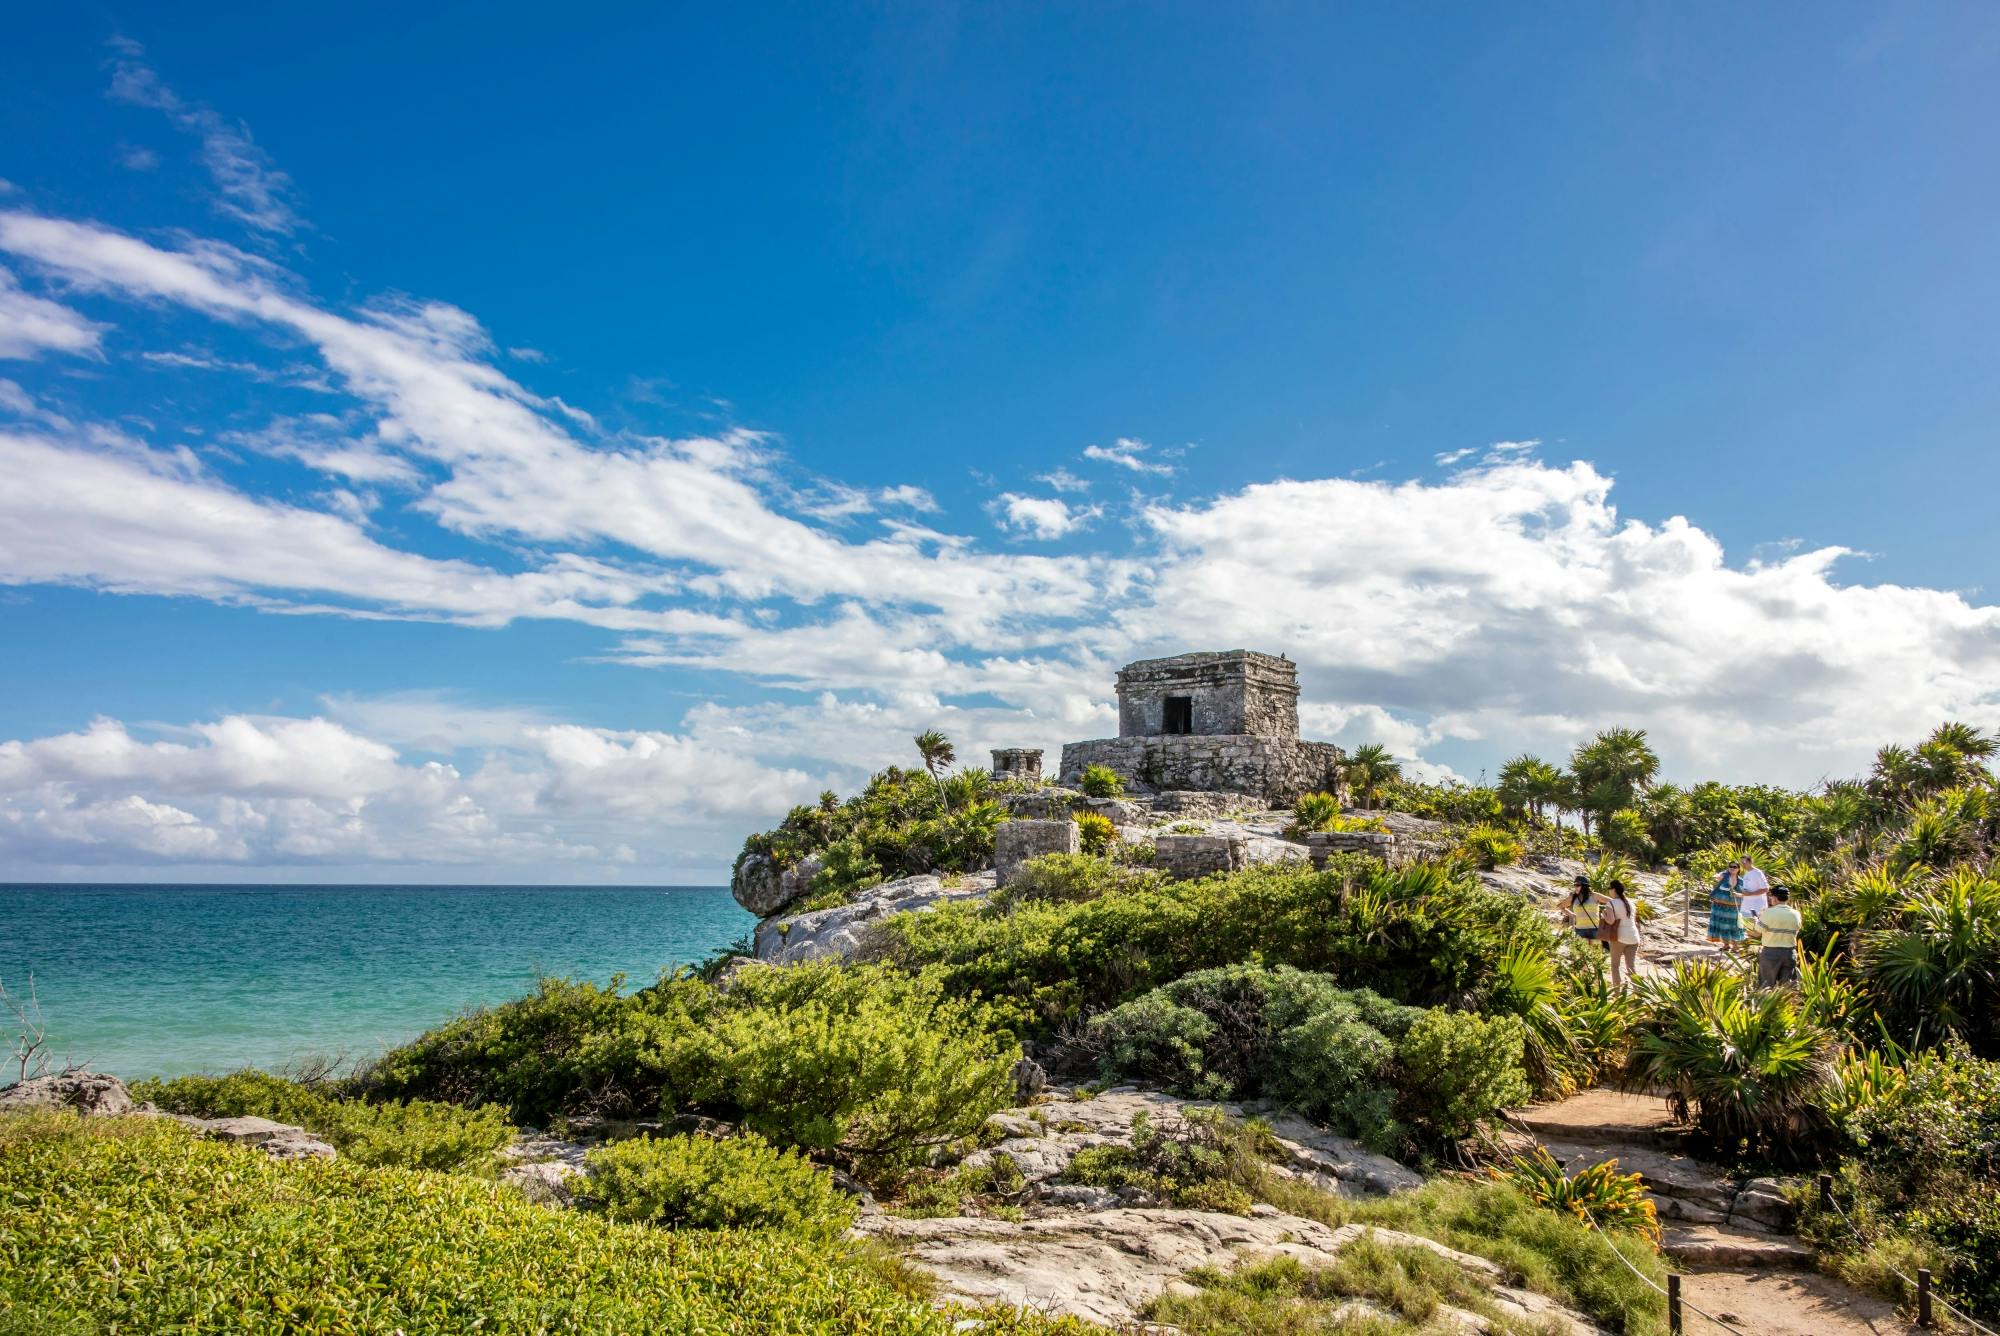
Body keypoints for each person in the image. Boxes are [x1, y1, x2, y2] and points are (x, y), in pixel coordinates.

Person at [1755, 886, 1803, 987]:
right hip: (1790, 952)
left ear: (1775, 898)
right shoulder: (1796, 914)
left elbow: (1758, 930)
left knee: (1766, 985)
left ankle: (1765, 1002)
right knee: (1787, 987)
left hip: (1771, 953)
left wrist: (1757, 921)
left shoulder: (1768, 912)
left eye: (1771, 897)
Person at [1599, 879, 1641, 989]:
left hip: (1619, 937)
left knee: (1614, 966)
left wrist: (1604, 914)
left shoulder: (1611, 903)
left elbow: (1611, 921)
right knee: (1631, 967)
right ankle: (1638, 992)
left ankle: (1617, 994)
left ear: (1614, 890)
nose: (1608, 891)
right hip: (1634, 937)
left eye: (1609, 889)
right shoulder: (1631, 903)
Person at [1707, 863, 1746, 946]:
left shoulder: (1742, 881)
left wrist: (1737, 894)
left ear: (1738, 869)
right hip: (1719, 906)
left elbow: (1745, 894)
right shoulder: (1724, 876)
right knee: (1722, 925)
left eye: (1734, 867)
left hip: (1734, 908)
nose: (1732, 868)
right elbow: (1715, 876)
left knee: (1735, 926)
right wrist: (1721, 874)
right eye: (1730, 866)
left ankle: (1735, 946)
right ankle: (1726, 945)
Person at [1567, 875, 1605, 947]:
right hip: (1580, 930)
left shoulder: (1594, 895)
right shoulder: (1574, 897)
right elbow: (1560, 906)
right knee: (1582, 954)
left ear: (1584, 886)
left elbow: (1612, 902)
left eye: (1577, 885)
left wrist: (1606, 914)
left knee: (1595, 954)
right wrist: (1571, 914)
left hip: (1595, 929)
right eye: (1574, 885)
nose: (1575, 887)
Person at [1736, 855, 1771, 926]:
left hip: (1757, 908)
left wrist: (1750, 894)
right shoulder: (1746, 873)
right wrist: (1739, 894)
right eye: (1741, 862)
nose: (1743, 864)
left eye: (1744, 862)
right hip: (1746, 907)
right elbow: (1747, 891)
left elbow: (1766, 889)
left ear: (1751, 861)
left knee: (1756, 930)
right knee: (1747, 930)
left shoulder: (1758, 873)